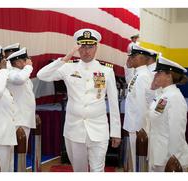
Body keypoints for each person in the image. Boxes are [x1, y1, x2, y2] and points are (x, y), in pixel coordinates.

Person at [37, 28, 121, 172]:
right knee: (79, 171)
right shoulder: (68, 68)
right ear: (77, 47)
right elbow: (41, 75)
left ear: (96, 47)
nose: (86, 51)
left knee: (97, 170)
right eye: (82, 47)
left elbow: (113, 104)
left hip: (99, 129)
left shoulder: (107, 71)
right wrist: (65, 58)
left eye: (90, 47)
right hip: (74, 130)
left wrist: (116, 132)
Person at [148, 56, 188, 172]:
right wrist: (153, 86)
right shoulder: (163, 95)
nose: (155, 75)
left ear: (169, 76)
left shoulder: (175, 97)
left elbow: (177, 132)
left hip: (168, 160)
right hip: (158, 155)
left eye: (159, 73)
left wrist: (173, 159)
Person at [123, 44, 155, 172]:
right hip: (133, 125)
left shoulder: (143, 76)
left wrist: (141, 129)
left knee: (139, 165)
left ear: (143, 58)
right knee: (133, 164)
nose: (131, 59)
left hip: (138, 127)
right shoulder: (138, 75)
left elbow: (143, 105)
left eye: (134, 56)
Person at [7, 47, 36, 144]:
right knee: (11, 154)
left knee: (22, 151)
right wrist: (28, 67)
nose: (30, 62)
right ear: (18, 63)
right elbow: (19, 80)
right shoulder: (11, 72)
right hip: (17, 119)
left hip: (24, 118)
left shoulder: (22, 73)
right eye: (26, 60)